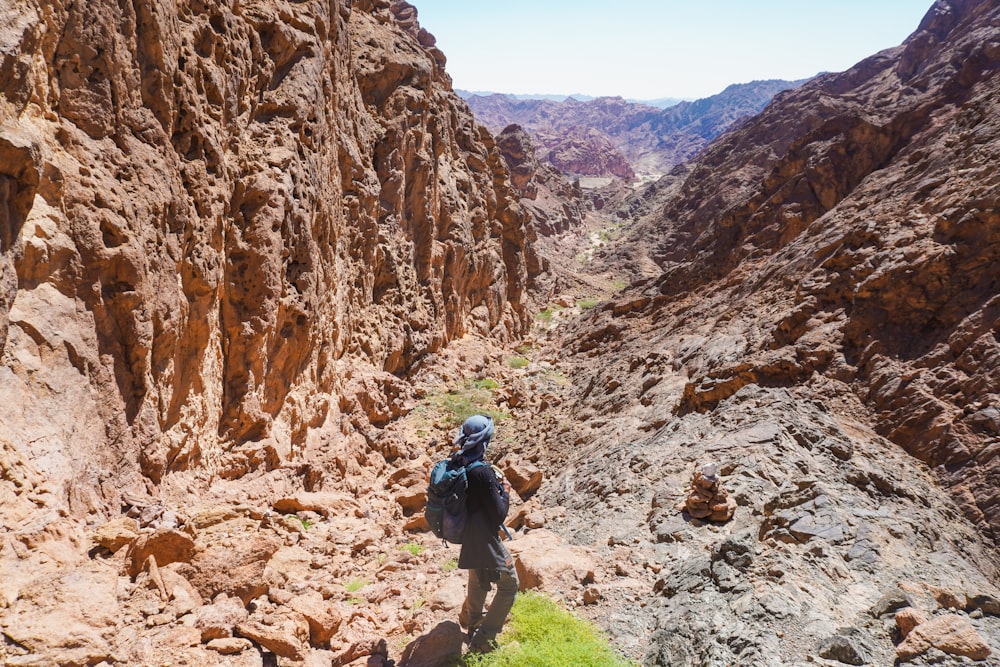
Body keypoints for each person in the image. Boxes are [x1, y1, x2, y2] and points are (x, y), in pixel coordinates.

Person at [453, 414, 518, 653]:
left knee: (478, 580)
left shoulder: (458, 461)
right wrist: (506, 492)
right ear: (484, 440)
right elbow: (499, 513)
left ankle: (472, 624)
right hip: (485, 537)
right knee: (510, 584)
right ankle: (484, 639)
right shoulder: (482, 471)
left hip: (468, 534)